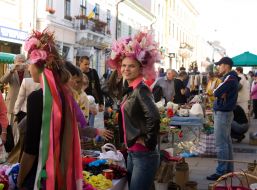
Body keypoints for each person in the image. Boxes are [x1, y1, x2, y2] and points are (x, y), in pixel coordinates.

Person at [17, 30, 83, 189]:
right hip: (62, 170)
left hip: (40, 175)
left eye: (30, 63)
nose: (28, 68)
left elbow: (31, 149)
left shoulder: (36, 98)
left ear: (37, 65)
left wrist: (20, 180)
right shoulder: (66, 95)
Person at [108, 31, 160, 190]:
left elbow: (154, 117)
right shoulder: (131, 88)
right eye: (123, 65)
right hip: (134, 153)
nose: (126, 69)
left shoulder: (141, 89)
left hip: (144, 154)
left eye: (131, 66)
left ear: (140, 68)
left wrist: (148, 141)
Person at [207, 57, 240, 181]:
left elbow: (215, 92)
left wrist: (219, 92)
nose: (218, 68)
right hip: (225, 112)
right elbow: (218, 92)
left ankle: (221, 171)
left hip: (223, 113)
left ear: (225, 66)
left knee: (221, 144)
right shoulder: (230, 77)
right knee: (226, 142)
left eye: (220, 65)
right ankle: (228, 170)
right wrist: (220, 92)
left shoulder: (230, 77)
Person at [0, 54, 30, 125]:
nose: (20, 64)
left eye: (23, 61)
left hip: (24, 104)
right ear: (14, 62)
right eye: (18, 62)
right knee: (10, 125)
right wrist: (11, 71)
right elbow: (2, 81)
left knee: (22, 127)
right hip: (12, 103)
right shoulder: (11, 70)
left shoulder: (28, 71)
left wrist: (29, 69)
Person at [79, 56, 104, 127]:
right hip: (81, 102)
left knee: (90, 125)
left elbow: (98, 87)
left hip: (92, 102)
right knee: (81, 125)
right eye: (85, 64)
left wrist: (101, 103)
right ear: (80, 63)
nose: (87, 66)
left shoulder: (93, 72)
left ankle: (90, 137)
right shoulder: (76, 73)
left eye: (88, 64)